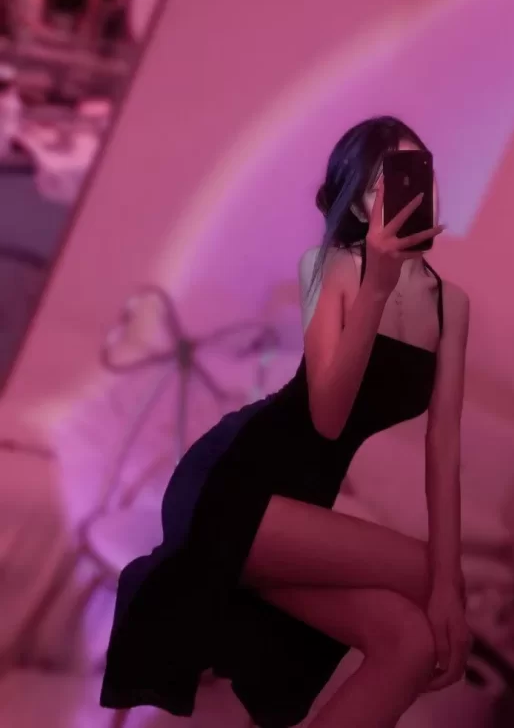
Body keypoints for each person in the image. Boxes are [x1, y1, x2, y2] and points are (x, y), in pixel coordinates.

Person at [101, 116, 471, 728]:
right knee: (428, 571)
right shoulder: (331, 268)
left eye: (416, 172)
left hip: (298, 511)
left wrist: (451, 594)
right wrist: (375, 289)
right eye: (382, 183)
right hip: (233, 485)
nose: (405, 193)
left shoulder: (450, 307)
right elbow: (327, 418)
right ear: (358, 203)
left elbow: (445, 449)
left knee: (408, 641)